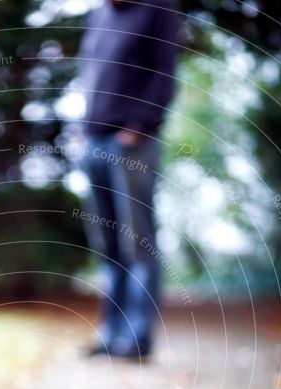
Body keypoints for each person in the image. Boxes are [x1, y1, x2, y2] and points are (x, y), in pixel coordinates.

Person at [78, 0, 179, 357]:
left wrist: (139, 126)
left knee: (136, 242)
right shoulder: (100, 14)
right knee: (106, 246)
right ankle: (111, 334)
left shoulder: (158, 7)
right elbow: (88, 70)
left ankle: (136, 338)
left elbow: (165, 71)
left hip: (130, 142)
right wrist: (83, 128)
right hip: (93, 140)